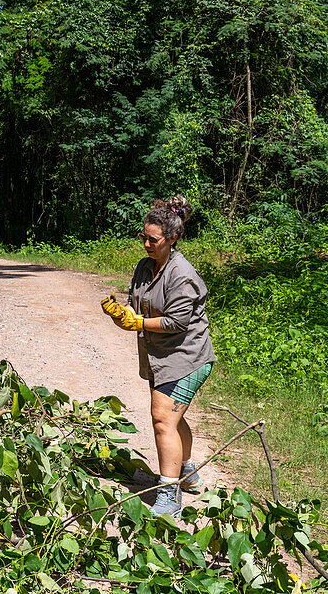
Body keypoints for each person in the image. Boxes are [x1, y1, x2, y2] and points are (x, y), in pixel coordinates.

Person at [101, 195, 216, 517]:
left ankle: (169, 495)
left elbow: (176, 322)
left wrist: (136, 322)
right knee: (172, 419)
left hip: (187, 356)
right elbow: (136, 304)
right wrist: (120, 313)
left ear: (172, 238)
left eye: (153, 239)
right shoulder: (145, 266)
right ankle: (188, 472)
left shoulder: (183, 275)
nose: (147, 244)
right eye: (144, 238)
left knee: (163, 419)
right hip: (160, 356)